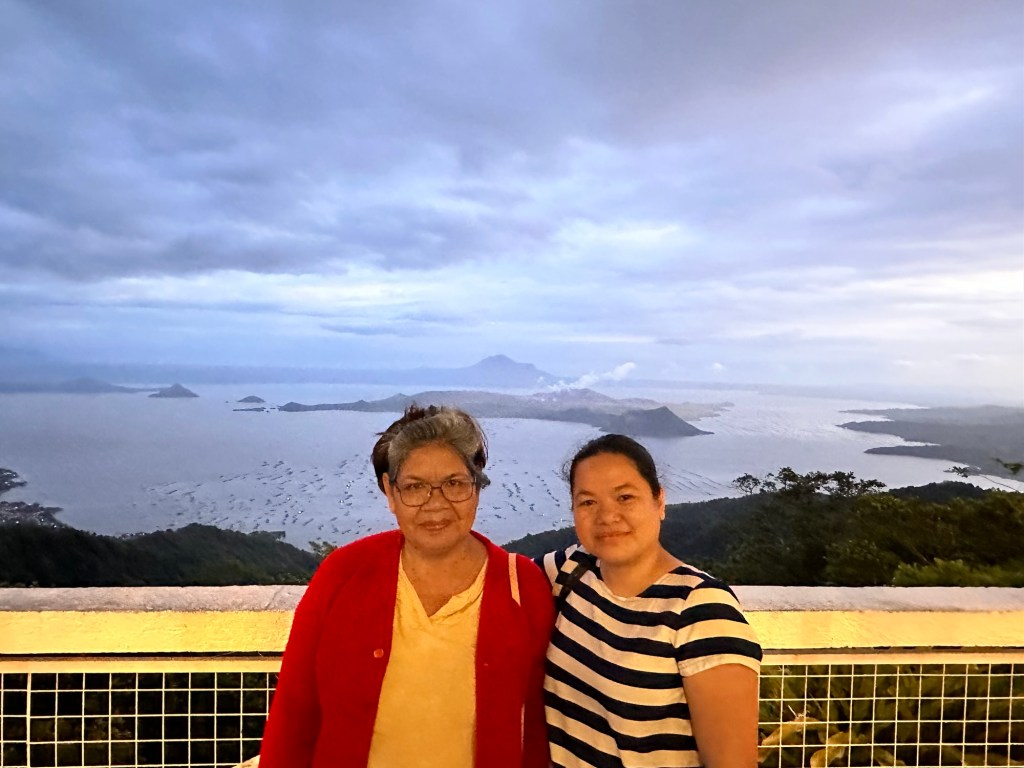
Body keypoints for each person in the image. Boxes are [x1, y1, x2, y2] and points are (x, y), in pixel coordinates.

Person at [260, 404, 555, 768]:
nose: (436, 504)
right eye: (415, 487)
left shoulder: (522, 586)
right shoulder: (344, 574)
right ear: (390, 491)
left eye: (454, 484)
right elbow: (293, 715)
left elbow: (537, 730)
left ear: (477, 486)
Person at [538, 434, 762, 768]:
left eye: (625, 497)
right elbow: (490, 575)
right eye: (587, 502)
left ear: (659, 501)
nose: (607, 516)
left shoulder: (701, 610)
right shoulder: (571, 569)